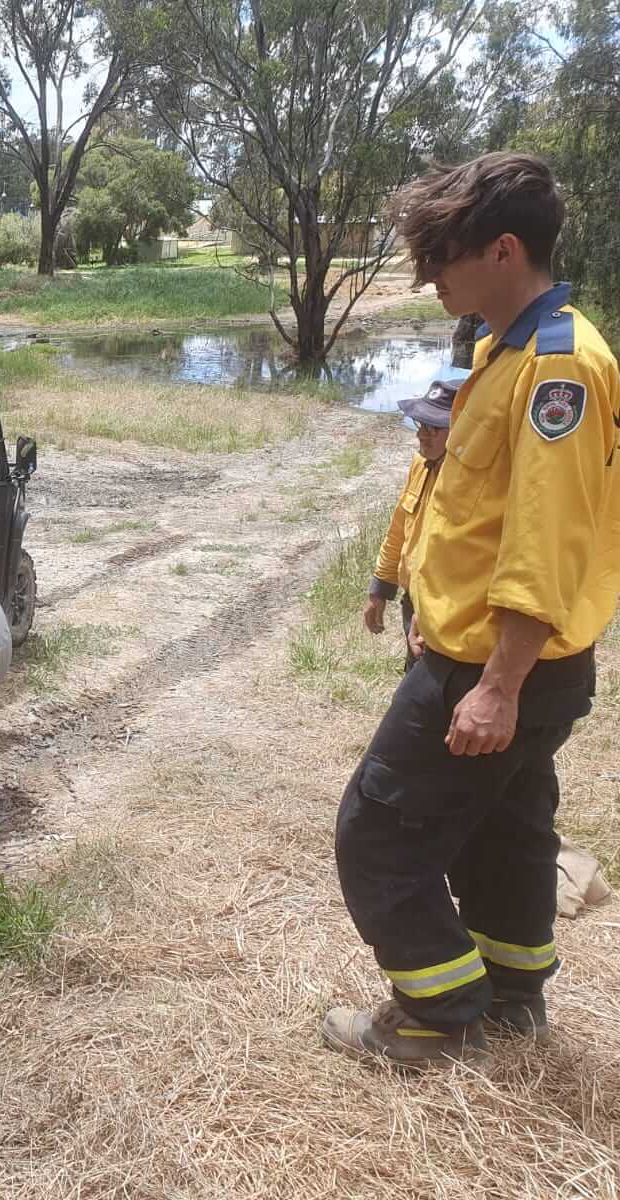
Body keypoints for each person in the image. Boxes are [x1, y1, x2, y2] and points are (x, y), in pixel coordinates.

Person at [323, 152, 620, 1066]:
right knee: (504, 831)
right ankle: (512, 999)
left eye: (442, 257)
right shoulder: (506, 350)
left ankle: (436, 1017)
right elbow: (477, 516)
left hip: (498, 668)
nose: (429, 276)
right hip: (491, 654)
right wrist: (426, 599)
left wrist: (495, 685)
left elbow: (544, 545)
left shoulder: (559, 370)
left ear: (502, 248)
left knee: (375, 833)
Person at [362, 369, 466, 670]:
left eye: (435, 428)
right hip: (414, 602)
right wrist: (380, 589)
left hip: (449, 612)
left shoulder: (471, 480)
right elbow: (399, 528)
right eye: (421, 424)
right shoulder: (420, 463)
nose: (422, 434)